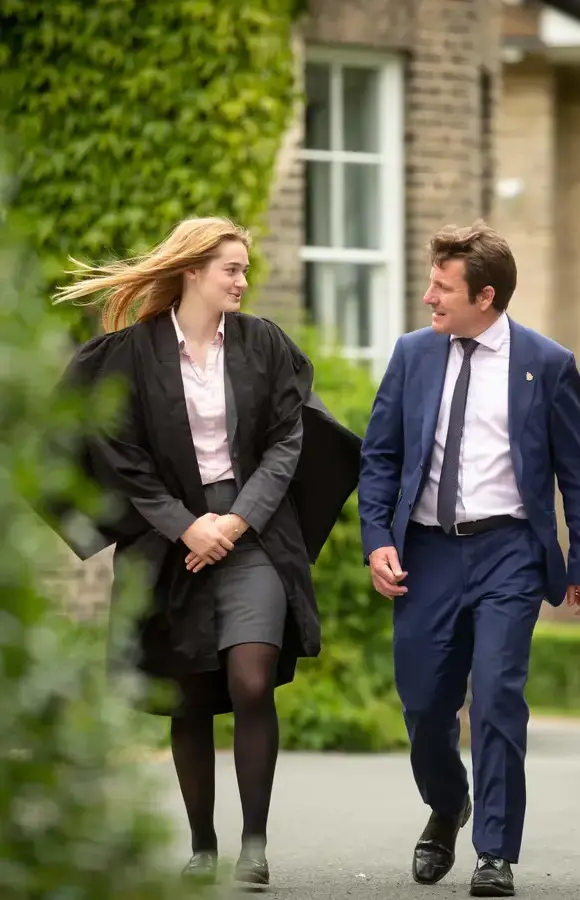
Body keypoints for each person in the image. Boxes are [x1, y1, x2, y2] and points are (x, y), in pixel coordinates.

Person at [47, 217, 361, 887]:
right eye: (232, 269)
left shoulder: (263, 344)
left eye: (245, 269)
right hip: (169, 539)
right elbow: (119, 455)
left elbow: (287, 441)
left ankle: (253, 845)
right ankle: (202, 844)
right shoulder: (130, 355)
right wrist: (188, 526)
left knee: (251, 677)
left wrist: (236, 521)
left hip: (254, 533)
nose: (244, 280)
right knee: (189, 692)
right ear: (193, 271)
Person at [358, 221, 580, 897]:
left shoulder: (549, 365)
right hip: (425, 553)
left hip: (509, 553)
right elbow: (380, 455)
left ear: (485, 296)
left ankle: (495, 852)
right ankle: (447, 801)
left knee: (497, 698)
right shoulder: (413, 355)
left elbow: (576, 473)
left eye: (441, 287)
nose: (428, 297)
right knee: (425, 704)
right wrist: (377, 539)